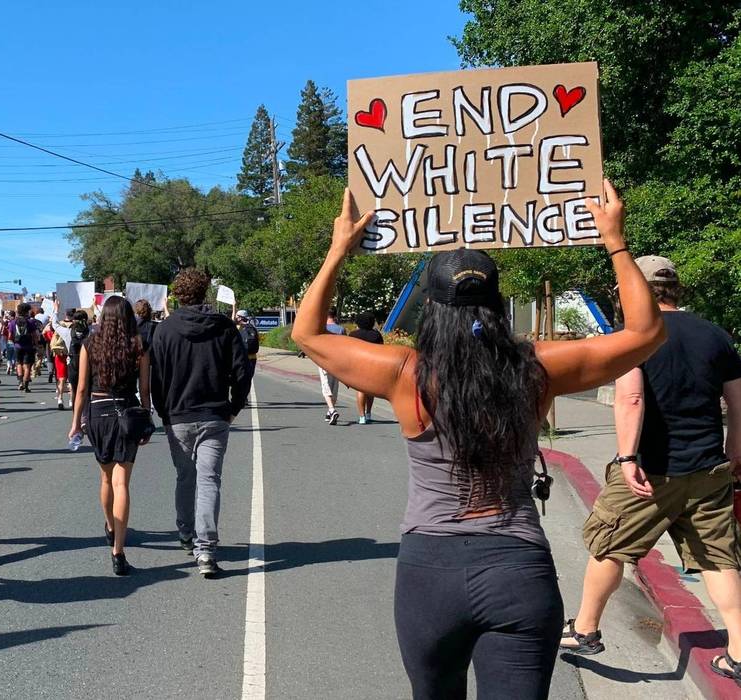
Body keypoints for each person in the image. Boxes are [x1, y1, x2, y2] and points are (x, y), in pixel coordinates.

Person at [291, 183, 664, 699]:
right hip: (518, 570)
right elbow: (646, 333)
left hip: (429, 574)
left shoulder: (406, 373)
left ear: (431, 306)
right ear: (496, 302)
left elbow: (307, 334)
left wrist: (338, 250)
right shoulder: (535, 367)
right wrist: (615, 241)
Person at [561, 256, 741, 679]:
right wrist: (734, 449)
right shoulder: (715, 336)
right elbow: (737, 401)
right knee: (718, 559)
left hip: (651, 471)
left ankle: (585, 629)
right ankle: (738, 650)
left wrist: (626, 458)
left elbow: (632, 398)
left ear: (634, 290)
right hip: (707, 468)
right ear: (674, 288)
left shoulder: (636, 337)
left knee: (609, 542)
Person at [150, 268, 252, 578]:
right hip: (214, 414)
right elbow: (242, 371)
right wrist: (234, 407)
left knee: (185, 476)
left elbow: (158, 378)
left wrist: (164, 412)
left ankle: (185, 532)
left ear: (178, 295)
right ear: (205, 292)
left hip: (178, 416)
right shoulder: (223, 328)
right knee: (209, 481)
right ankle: (205, 550)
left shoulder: (165, 330)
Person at [68, 297, 152, 576]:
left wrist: (76, 424)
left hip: (97, 412)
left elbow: (81, 388)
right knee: (122, 483)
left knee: (105, 478)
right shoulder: (138, 345)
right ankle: (118, 551)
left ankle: (109, 525)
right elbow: (144, 388)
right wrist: (146, 418)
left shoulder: (90, 345)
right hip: (127, 412)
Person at [348, 311, 384, 424]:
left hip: (358, 365)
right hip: (373, 364)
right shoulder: (376, 335)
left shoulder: (353, 335)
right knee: (371, 390)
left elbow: (349, 351)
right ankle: (368, 413)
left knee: (360, 390)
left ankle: (361, 416)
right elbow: (382, 350)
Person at [318, 309, 345, 425]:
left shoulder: (322, 329)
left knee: (326, 386)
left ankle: (332, 410)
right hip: (338, 360)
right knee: (334, 386)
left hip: (324, 359)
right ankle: (329, 412)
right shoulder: (341, 329)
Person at [7, 303, 42, 393]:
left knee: (19, 363)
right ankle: (26, 386)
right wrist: (36, 345)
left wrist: (14, 341)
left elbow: (10, 336)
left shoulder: (13, 322)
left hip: (17, 346)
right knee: (27, 367)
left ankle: (20, 383)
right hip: (29, 347)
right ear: (27, 311)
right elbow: (35, 336)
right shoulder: (30, 322)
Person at [47, 320, 71, 409]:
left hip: (59, 355)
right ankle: (71, 400)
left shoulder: (57, 332)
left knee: (61, 378)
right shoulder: (71, 330)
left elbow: (45, 332)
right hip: (70, 355)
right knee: (71, 380)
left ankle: (60, 398)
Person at [235, 310, 260, 379]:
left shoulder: (237, 328)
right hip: (252, 357)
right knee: (248, 379)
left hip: (242, 358)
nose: (235, 318)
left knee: (239, 381)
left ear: (240, 318)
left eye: (236, 316)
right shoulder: (253, 328)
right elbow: (258, 339)